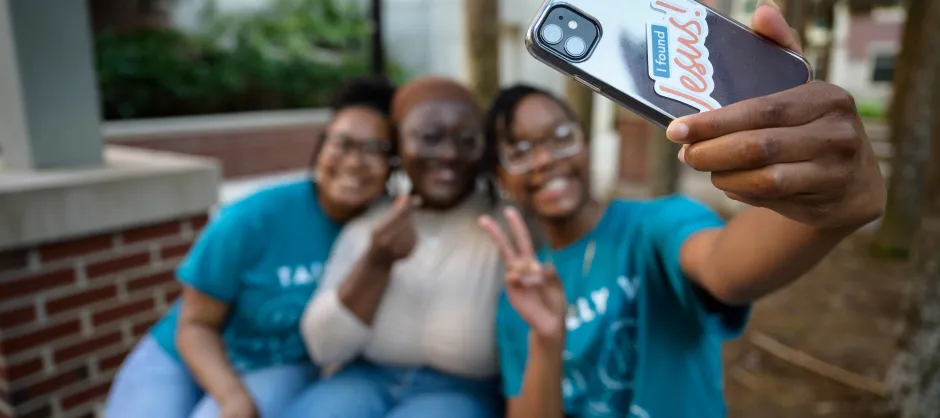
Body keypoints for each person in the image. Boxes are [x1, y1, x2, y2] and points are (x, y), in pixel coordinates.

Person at [477, 5, 886, 418]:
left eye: (560, 136)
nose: (545, 159)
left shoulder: (654, 226)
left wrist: (828, 206)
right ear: (500, 177)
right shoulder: (520, 296)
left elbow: (723, 266)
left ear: (584, 143)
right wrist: (547, 339)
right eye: (521, 150)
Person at [103, 76, 398, 418]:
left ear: (393, 163)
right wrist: (232, 398)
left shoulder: (388, 235)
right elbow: (196, 325)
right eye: (342, 144)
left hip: (278, 366)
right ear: (321, 148)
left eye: (374, 149)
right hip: (185, 354)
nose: (354, 162)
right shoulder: (253, 218)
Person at [281, 77, 504, 418]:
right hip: (364, 379)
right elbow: (323, 348)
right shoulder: (370, 222)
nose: (448, 153)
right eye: (429, 138)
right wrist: (376, 261)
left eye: (466, 139)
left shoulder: (504, 225)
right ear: (398, 146)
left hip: (461, 390)